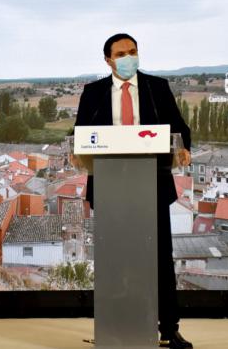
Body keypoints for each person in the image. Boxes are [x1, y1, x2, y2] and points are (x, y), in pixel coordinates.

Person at [75, 33, 192, 349]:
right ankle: (115, 329)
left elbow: (180, 129)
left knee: (160, 261)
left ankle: (169, 328)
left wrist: (184, 148)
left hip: (151, 185)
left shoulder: (157, 88)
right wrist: (77, 150)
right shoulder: (93, 93)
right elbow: (80, 135)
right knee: (115, 261)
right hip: (110, 186)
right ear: (108, 60)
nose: (129, 58)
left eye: (133, 51)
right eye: (122, 53)